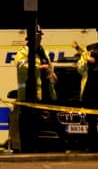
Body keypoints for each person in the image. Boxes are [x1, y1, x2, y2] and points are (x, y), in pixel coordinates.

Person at [11, 24, 58, 152]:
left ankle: (38, 149)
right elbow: (21, 67)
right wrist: (39, 68)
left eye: (40, 35)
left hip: (44, 96)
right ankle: (27, 151)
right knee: (28, 126)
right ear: (31, 36)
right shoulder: (24, 52)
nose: (40, 37)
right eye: (37, 35)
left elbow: (49, 69)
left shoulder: (44, 52)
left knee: (38, 127)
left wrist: (52, 75)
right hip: (28, 96)